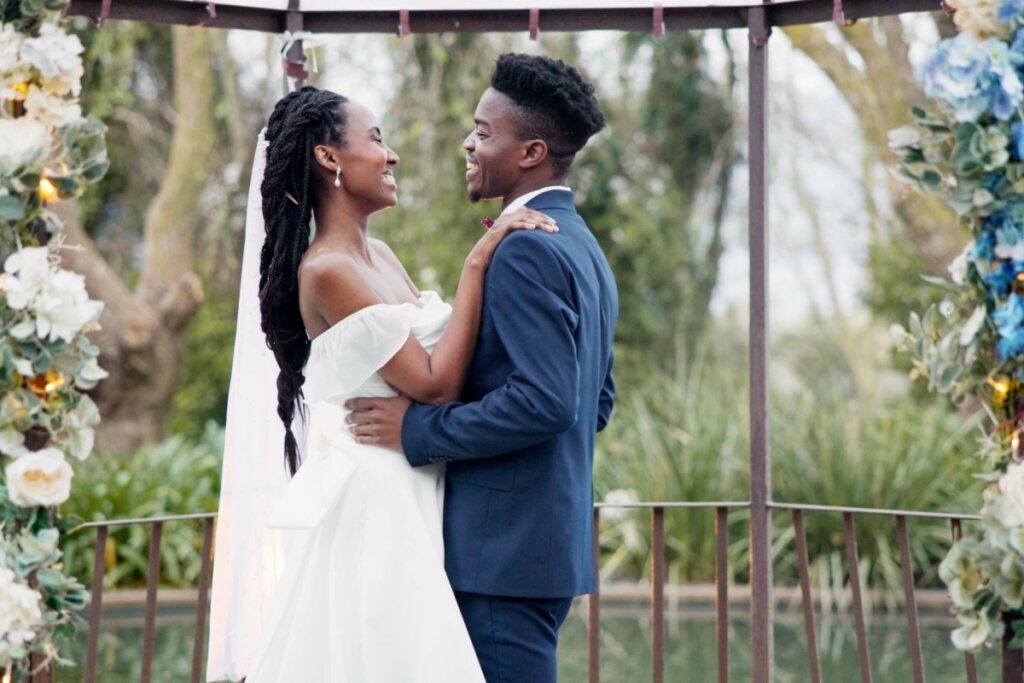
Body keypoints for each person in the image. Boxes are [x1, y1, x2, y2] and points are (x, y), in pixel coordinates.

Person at [209, 84, 557, 683]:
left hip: (418, 482)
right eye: (376, 139)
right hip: (380, 497)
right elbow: (435, 384)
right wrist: (477, 262)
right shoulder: (327, 270)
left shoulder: (382, 255)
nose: (391, 155)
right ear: (329, 159)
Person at [345, 53, 618, 683]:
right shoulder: (582, 245)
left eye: (484, 132)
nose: (468, 143)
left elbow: (549, 404)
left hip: (501, 558)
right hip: (540, 548)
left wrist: (416, 429)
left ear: (530, 152)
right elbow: (593, 402)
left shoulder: (525, 249)